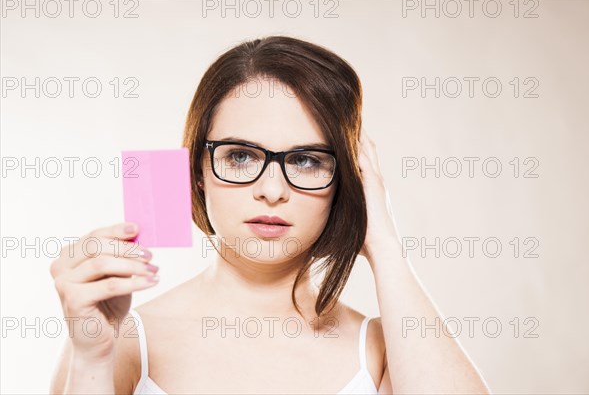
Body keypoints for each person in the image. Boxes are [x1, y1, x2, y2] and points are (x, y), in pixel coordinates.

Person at [49, 35, 490, 394]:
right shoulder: (120, 340)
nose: (272, 190)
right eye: (240, 155)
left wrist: (385, 245)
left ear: (345, 181)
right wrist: (91, 358)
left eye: (306, 160)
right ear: (196, 172)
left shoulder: (380, 349)